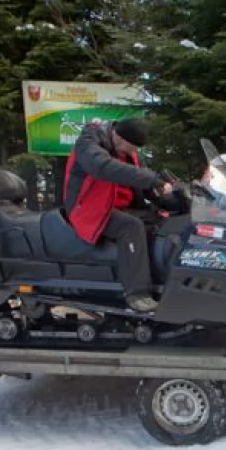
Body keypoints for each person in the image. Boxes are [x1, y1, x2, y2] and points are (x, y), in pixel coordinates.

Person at [63, 117, 172, 312]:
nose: (132, 152)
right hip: (88, 209)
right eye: (129, 147)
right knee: (131, 227)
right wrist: (152, 180)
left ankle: (162, 281)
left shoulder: (127, 150)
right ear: (117, 136)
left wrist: (163, 194)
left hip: (118, 207)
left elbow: (139, 181)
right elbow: (103, 168)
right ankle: (137, 294)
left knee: (160, 221)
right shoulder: (88, 143)